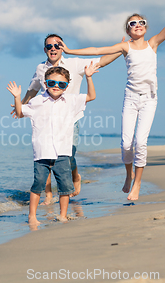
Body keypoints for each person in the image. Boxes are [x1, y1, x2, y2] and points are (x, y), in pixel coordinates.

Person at [61, 0, 165, 201]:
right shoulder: (126, 47)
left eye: (141, 22)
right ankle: (128, 174)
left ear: (145, 27)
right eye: (133, 23)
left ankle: (137, 182)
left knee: (140, 142)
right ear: (128, 29)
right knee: (126, 143)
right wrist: (69, 51)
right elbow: (98, 51)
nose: (138, 25)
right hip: (131, 99)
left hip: (149, 100)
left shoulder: (153, 44)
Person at [16, 34, 122, 204]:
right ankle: (49, 194)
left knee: (68, 155)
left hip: (70, 118)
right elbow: (32, 89)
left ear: (63, 47)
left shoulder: (75, 63)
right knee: (45, 154)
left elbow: (101, 61)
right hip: (45, 117)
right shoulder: (40, 69)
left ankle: (75, 175)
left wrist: (121, 50)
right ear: (45, 50)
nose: (53, 48)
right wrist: (21, 105)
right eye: (49, 46)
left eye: (57, 45)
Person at [7, 64, 99, 225]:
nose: (56, 86)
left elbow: (91, 96)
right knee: (37, 185)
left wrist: (89, 77)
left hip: (63, 151)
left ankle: (63, 215)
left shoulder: (71, 100)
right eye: (52, 83)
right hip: (42, 152)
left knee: (65, 187)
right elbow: (20, 112)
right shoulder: (37, 101)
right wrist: (17, 97)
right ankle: (32, 216)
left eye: (61, 84)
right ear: (45, 82)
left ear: (66, 86)